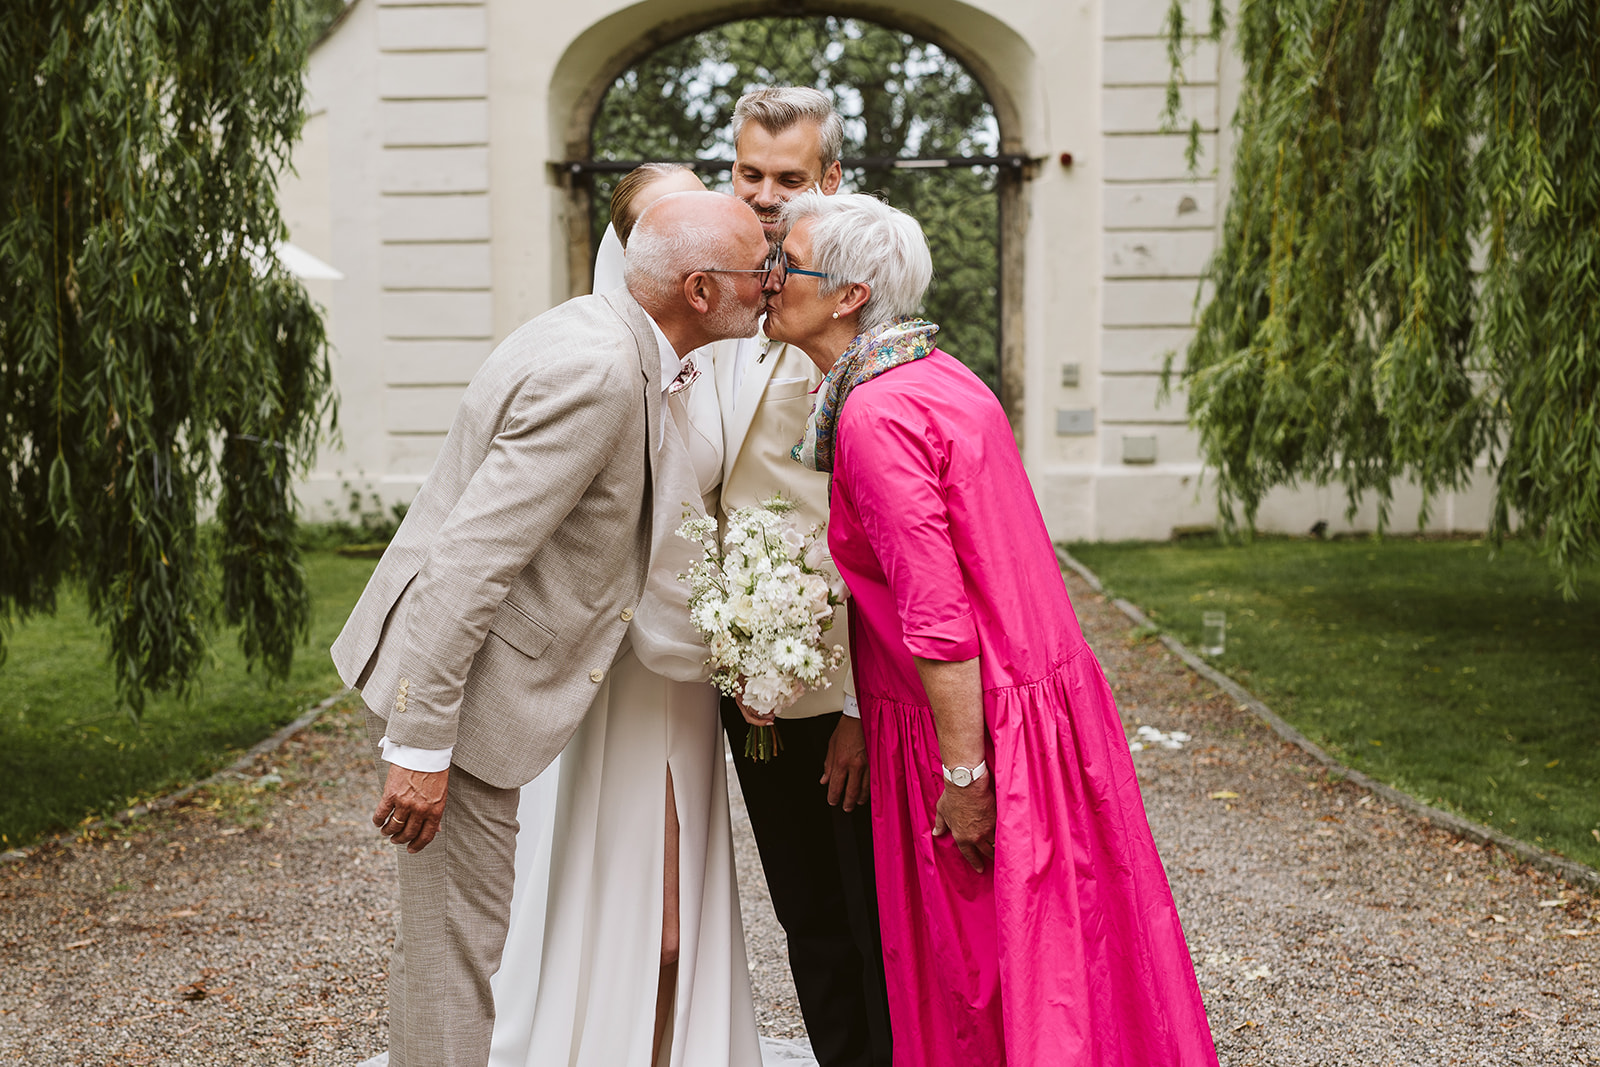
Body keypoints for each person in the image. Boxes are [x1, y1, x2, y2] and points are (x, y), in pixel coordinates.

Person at [754, 190, 1221, 1066]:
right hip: (1036, 711)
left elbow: (936, 616)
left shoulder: (875, 413)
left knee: (980, 979)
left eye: (790, 265)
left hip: (971, 726)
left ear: (850, 293)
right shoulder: (939, 375)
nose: (770, 279)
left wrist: (963, 773)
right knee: (1073, 953)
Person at [330, 190, 777, 1067]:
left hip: (480, 683)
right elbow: (470, 561)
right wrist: (420, 746)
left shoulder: (604, 333)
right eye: (753, 269)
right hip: (467, 700)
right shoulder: (602, 373)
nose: (770, 282)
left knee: (445, 949)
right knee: (455, 954)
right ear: (697, 289)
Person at [487, 166, 764, 1067]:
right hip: (604, 664)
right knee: (624, 898)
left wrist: (748, 636)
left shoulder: (721, 351)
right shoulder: (598, 362)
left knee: (677, 915)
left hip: (683, 668)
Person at [712, 87, 892, 1067]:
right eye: (751, 173)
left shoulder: (855, 306)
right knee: (802, 912)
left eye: (789, 177)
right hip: (743, 675)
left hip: (844, 677)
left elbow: (878, 532)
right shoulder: (712, 281)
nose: (767, 195)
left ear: (829, 178)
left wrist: (866, 705)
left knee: (867, 911)